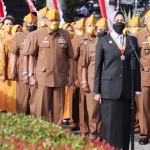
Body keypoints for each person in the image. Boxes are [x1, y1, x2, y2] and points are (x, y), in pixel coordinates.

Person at [94, 11, 141, 149]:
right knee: (111, 126)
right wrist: (97, 91)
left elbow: (136, 66)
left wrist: (137, 88)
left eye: (122, 20)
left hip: (127, 89)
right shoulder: (103, 40)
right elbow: (97, 67)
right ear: (111, 22)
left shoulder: (132, 40)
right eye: (117, 20)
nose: (119, 22)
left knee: (124, 126)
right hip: (109, 90)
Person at [27, 8, 74, 126]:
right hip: (42, 78)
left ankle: (56, 135)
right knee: (41, 110)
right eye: (52, 20)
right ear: (46, 20)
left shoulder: (65, 35)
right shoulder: (37, 34)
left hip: (60, 77)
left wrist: (71, 75)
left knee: (58, 110)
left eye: (57, 20)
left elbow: (70, 57)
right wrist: (31, 75)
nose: (54, 23)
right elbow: (32, 56)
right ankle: (41, 135)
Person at [81, 18, 108, 141]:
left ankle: (102, 133)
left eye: (105, 30)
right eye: (101, 29)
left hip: (107, 80)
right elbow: (84, 66)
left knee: (105, 109)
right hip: (92, 81)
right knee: (93, 109)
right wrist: (84, 81)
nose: (103, 31)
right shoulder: (90, 46)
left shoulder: (111, 46)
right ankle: (93, 134)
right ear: (96, 31)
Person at [73, 14, 97, 136]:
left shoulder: (99, 40)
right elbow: (73, 59)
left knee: (94, 105)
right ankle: (84, 129)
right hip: (81, 76)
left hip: (94, 76)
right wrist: (75, 77)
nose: (91, 28)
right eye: (89, 25)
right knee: (82, 104)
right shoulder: (79, 40)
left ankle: (95, 129)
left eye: (93, 25)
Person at [11, 13, 37, 115]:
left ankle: (35, 124)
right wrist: (12, 70)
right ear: (24, 24)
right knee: (22, 98)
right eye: (30, 23)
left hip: (36, 72)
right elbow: (14, 54)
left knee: (35, 100)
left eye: (34, 22)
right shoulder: (19, 37)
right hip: (22, 72)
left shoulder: (38, 35)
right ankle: (21, 123)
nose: (32, 25)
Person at [134, 10, 150, 145]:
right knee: (143, 108)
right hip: (145, 77)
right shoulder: (139, 35)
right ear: (145, 21)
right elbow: (134, 59)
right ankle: (144, 134)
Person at [0, 17, 16, 113]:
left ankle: (12, 112)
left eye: (10, 24)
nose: (9, 26)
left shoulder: (16, 38)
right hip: (2, 69)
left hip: (13, 69)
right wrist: (2, 72)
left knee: (13, 94)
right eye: (7, 24)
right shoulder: (0, 39)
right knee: (3, 94)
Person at [62, 23, 75, 125]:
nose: (70, 32)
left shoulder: (75, 41)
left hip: (71, 72)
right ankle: (63, 116)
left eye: (71, 30)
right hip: (62, 72)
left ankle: (68, 115)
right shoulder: (61, 41)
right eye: (68, 30)